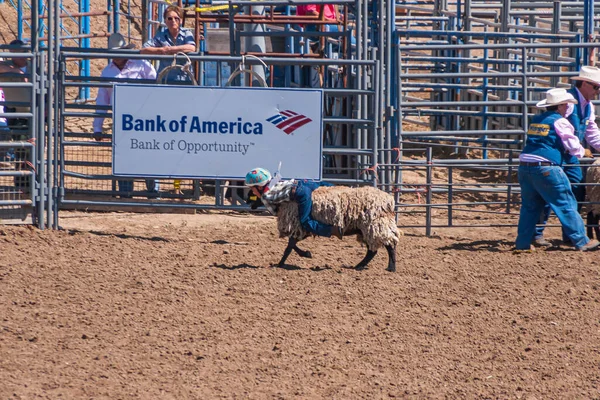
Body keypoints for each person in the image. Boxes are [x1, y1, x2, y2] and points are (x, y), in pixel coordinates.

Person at [515, 88, 600, 252]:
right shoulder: (560, 121)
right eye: (567, 104)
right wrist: (585, 151)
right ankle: (581, 240)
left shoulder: (537, 119)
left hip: (525, 166)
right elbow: (573, 145)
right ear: (561, 105)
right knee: (565, 202)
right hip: (546, 167)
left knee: (529, 206)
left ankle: (523, 243)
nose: (569, 107)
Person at [533, 66, 600, 247]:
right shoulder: (567, 102)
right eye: (596, 87)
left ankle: (571, 235)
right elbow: (562, 131)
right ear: (584, 84)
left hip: (569, 156)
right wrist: (579, 149)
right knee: (550, 191)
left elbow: (591, 131)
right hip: (555, 154)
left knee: (577, 189)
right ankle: (537, 233)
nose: (597, 92)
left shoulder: (588, 107)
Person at [93, 33, 159, 198]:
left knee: (147, 153)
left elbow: (156, 86)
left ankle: (152, 190)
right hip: (122, 120)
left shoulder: (141, 64)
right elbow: (102, 100)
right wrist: (97, 126)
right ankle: (126, 192)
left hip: (144, 120)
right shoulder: (108, 72)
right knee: (124, 156)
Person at [244, 167, 343, 239]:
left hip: (300, 193)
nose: (253, 192)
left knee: (305, 222)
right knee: (322, 185)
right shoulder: (273, 182)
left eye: (252, 189)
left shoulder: (265, 197)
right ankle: (342, 191)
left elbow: (275, 212)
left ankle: (332, 230)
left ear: (259, 187)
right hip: (302, 183)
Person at [140, 5, 196, 83]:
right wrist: (161, 50)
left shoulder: (187, 33)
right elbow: (144, 49)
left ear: (181, 20)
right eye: (169, 18)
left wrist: (169, 49)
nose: (173, 20)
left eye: (176, 18)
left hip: (185, 80)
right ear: (165, 21)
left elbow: (191, 48)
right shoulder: (161, 35)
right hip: (165, 80)